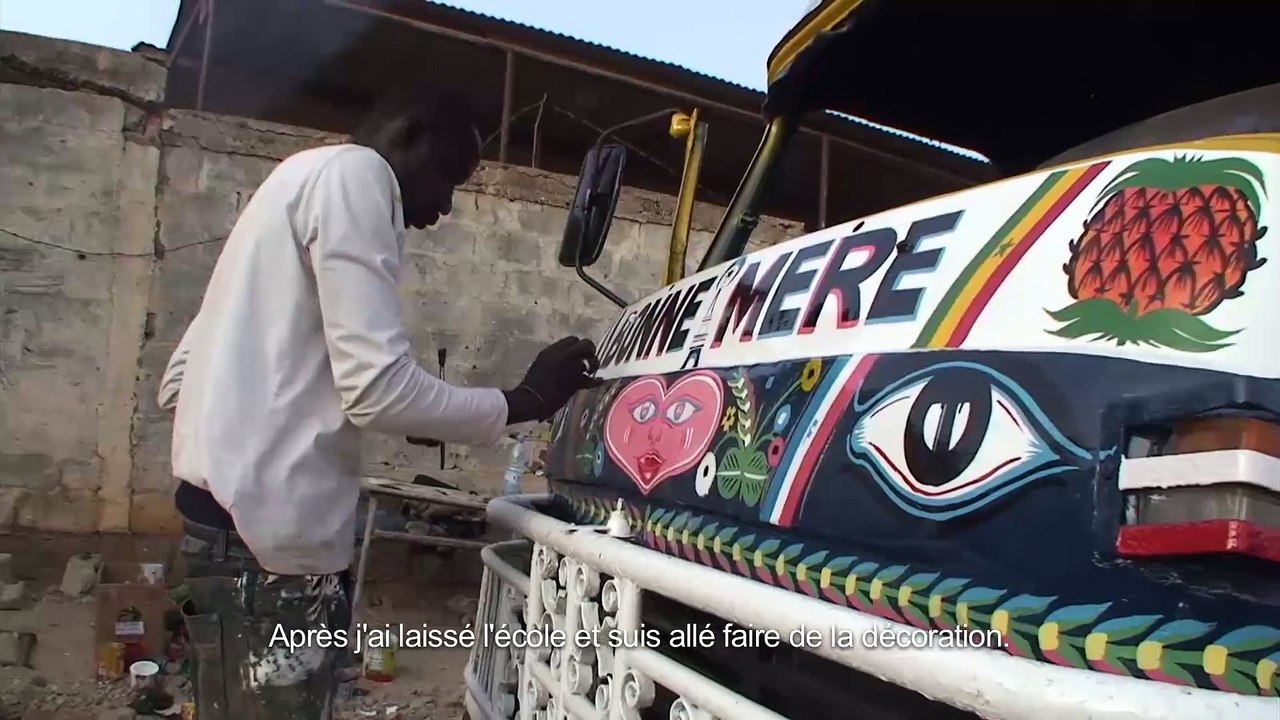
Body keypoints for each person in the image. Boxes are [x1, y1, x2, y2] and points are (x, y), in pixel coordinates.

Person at [157, 87, 599, 719]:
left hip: (216, 527)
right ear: (409, 134)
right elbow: (377, 390)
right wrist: (525, 400)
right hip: (267, 549)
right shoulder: (358, 176)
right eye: (450, 177)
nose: (446, 206)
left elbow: (179, 375)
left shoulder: (293, 177)